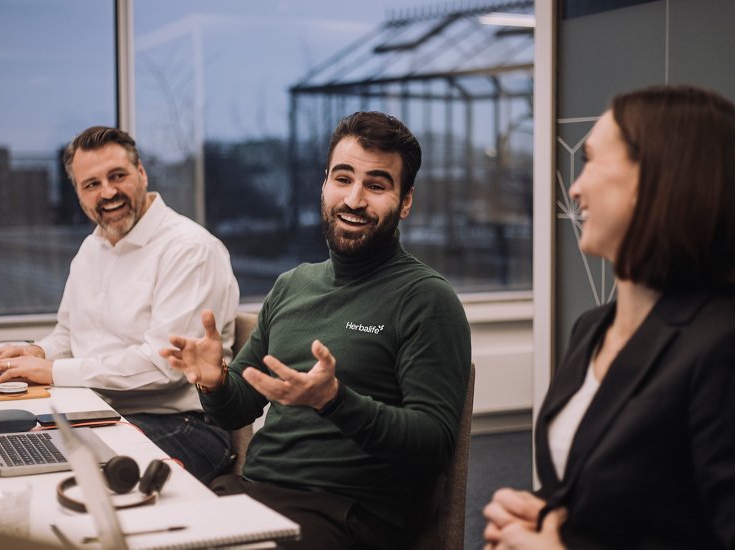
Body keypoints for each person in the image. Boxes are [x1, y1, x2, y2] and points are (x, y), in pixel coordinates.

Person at [161, 112, 471, 549]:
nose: (355, 199)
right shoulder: (292, 286)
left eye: (377, 185)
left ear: (405, 201)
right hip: (252, 496)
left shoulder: (426, 299)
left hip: (347, 516)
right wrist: (213, 383)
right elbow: (237, 410)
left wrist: (334, 401)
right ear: (324, 184)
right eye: (343, 179)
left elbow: (434, 446)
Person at [483, 85, 735, 549]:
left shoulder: (720, 346)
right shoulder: (592, 328)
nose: (574, 188)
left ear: (657, 177)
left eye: (592, 160)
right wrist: (546, 514)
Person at [0, 126, 240, 483]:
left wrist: (51, 372)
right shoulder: (92, 247)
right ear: (80, 194)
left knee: (66, 478)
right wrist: (36, 352)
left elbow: (164, 368)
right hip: (101, 412)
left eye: (118, 176)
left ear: (141, 173)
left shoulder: (190, 250)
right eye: (92, 184)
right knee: (10, 451)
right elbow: (68, 336)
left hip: (185, 425)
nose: (108, 192)